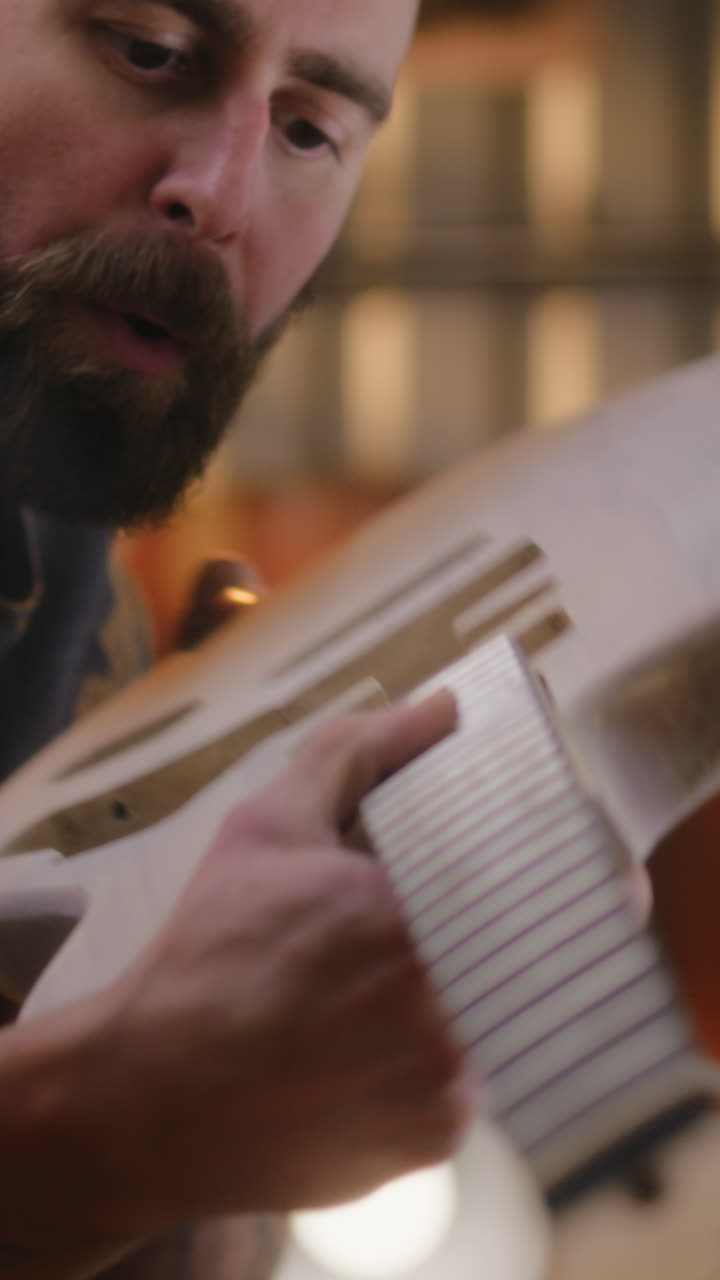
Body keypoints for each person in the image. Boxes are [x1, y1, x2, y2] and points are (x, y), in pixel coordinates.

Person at [0, 2, 477, 1277]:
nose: (218, 193)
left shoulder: (83, 607)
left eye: (310, 130)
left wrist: (205, 996)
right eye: (147, 49)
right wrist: (91, 1131)